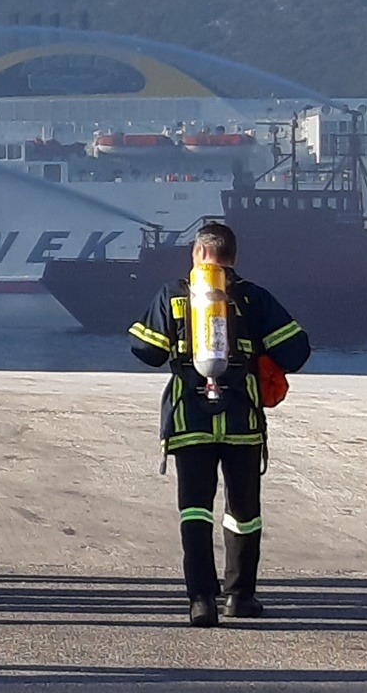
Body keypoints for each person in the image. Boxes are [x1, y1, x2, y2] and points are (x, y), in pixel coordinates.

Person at [127, 218, 313, 625]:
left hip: (190, 419)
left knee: (195, 508)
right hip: (241, 420)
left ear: (197, 254)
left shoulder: (174, 294)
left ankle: (201, 600)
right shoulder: (253, 298)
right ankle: (239, 597)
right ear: (233, 257)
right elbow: (297, 352)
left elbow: (144, 349)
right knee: (243, 510)